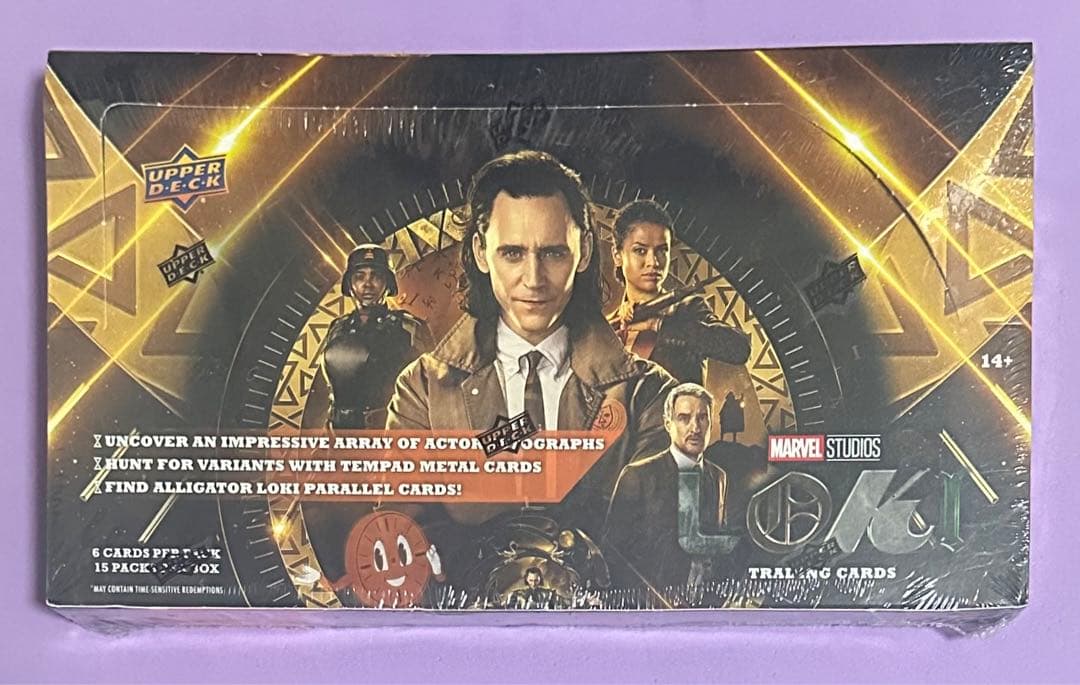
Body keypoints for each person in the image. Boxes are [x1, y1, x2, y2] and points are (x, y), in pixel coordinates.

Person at [386, 150, 677, 532]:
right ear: (480, 252)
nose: (534, 279)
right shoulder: (423, 389)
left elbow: (652, 538)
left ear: (585, 251)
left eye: (553, 253)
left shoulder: (648, 394)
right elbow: (405, 536)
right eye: (512, 253)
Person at [608, 199, 751, 384]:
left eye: (662, 251)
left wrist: (657, 325)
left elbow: (739, 348)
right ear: (617, 256)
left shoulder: (688, 309)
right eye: (640, 251)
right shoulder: (609, 325)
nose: (653, 262)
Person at [603, 383, 728, 591]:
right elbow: (614, 553)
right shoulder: (637, 476)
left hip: (704, 601)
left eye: (702, 418)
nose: (695, 428)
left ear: (711, 423)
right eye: (684, 418)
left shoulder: (718, 477)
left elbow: (718, 544)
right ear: (668, 424)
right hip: (650, 601)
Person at [322, 244, 432, 429]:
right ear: (349, 284)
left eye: (376, 276)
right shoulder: (337, 327)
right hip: (337, 434)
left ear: (388, 284)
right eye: (359, 277)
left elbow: (432, 391)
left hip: (388, 433)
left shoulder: (409, 328)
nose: (367, 284)